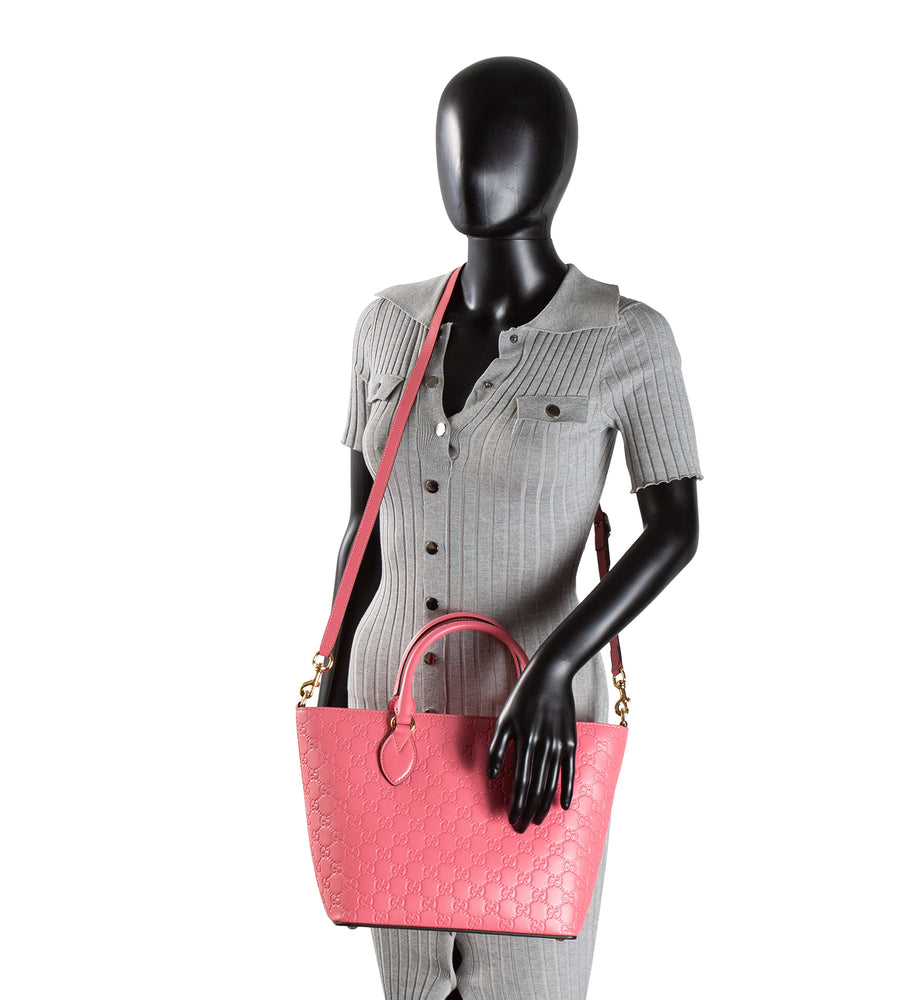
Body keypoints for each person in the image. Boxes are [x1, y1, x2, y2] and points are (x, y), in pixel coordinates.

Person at [319, 55, 703, 1000]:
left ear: (554, 165)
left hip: (532, 718)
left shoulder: (627, 339)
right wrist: (330, 692)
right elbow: (361, 526)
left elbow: (675, 529)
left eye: (499, 144)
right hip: (388, 714)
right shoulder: (384, 327)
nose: (470, 166)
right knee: (413, 982)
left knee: (533, 969)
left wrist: (561, 662)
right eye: (455, 140)